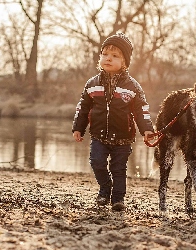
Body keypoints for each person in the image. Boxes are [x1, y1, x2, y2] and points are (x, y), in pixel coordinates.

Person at [72, 32, 154, 212]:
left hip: (123, 137)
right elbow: (83, 107)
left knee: (118, 169)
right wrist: (78, 127)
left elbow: (141, 110)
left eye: (115, 56)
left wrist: (147, 129)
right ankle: (105, 188)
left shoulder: (132, 86)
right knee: (96, 162)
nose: (108, 59)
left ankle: (118, 199)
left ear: (124, 62)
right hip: (99, 135)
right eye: (105, 54)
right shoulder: (92, 83)